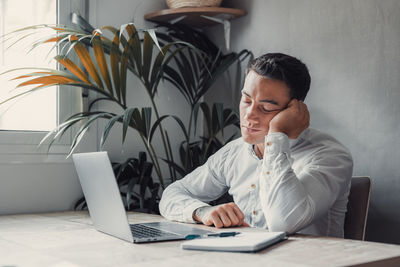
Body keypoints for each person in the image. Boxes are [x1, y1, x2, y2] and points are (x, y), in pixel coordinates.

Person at [159, 53, 353, 237]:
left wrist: (277, 134)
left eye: (266, 108)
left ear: (295, 110)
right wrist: (201, 211)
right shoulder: (234, 153)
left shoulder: (330, 156)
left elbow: (283, 223)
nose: (249, 115)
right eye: (246, 100)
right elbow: (172, 194)